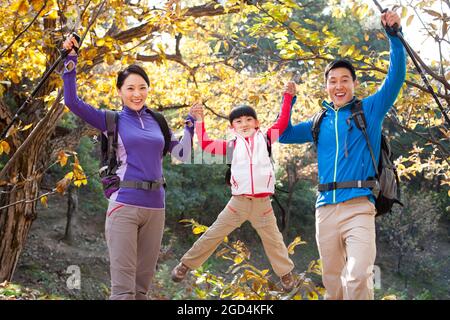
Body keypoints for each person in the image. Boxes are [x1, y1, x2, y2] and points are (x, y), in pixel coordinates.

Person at [278, 10, 406, 299]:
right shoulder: (318, 122)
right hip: (325, 210)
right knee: (333, 284)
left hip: (360, 206)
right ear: (326, 86)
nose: (338, 86)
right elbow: (283, 133)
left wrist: (394, 37)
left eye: (344, 80)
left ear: (354, 84)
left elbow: (395, 77)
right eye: (333, 81)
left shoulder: (369, 111)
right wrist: (288, 100)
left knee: (358, 275)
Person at [62, 35, 196, 300]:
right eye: (131, 88)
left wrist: (191, 125)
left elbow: (183, 153)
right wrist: (70, 59)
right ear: (120, 91)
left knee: (141, 291)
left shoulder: (158, 121)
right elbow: (72, 102)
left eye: (142, 87)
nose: (137, 94)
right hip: (124, 205)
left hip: (156, 208)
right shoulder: (110, 119)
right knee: (123, 291)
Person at [171, 82, 298, 292]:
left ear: (257, 123)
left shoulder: (266, 139)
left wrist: (287, 96)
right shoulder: (231, 146)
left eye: (249, 119)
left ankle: (285, 275)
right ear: (232, 127)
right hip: (238, 202)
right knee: (213, 234)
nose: (244, 123)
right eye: (238, 121)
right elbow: (204, 144)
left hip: (262, 204)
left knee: (274, 240)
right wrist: (200, 121)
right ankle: (186, 264)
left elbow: (283, 122)